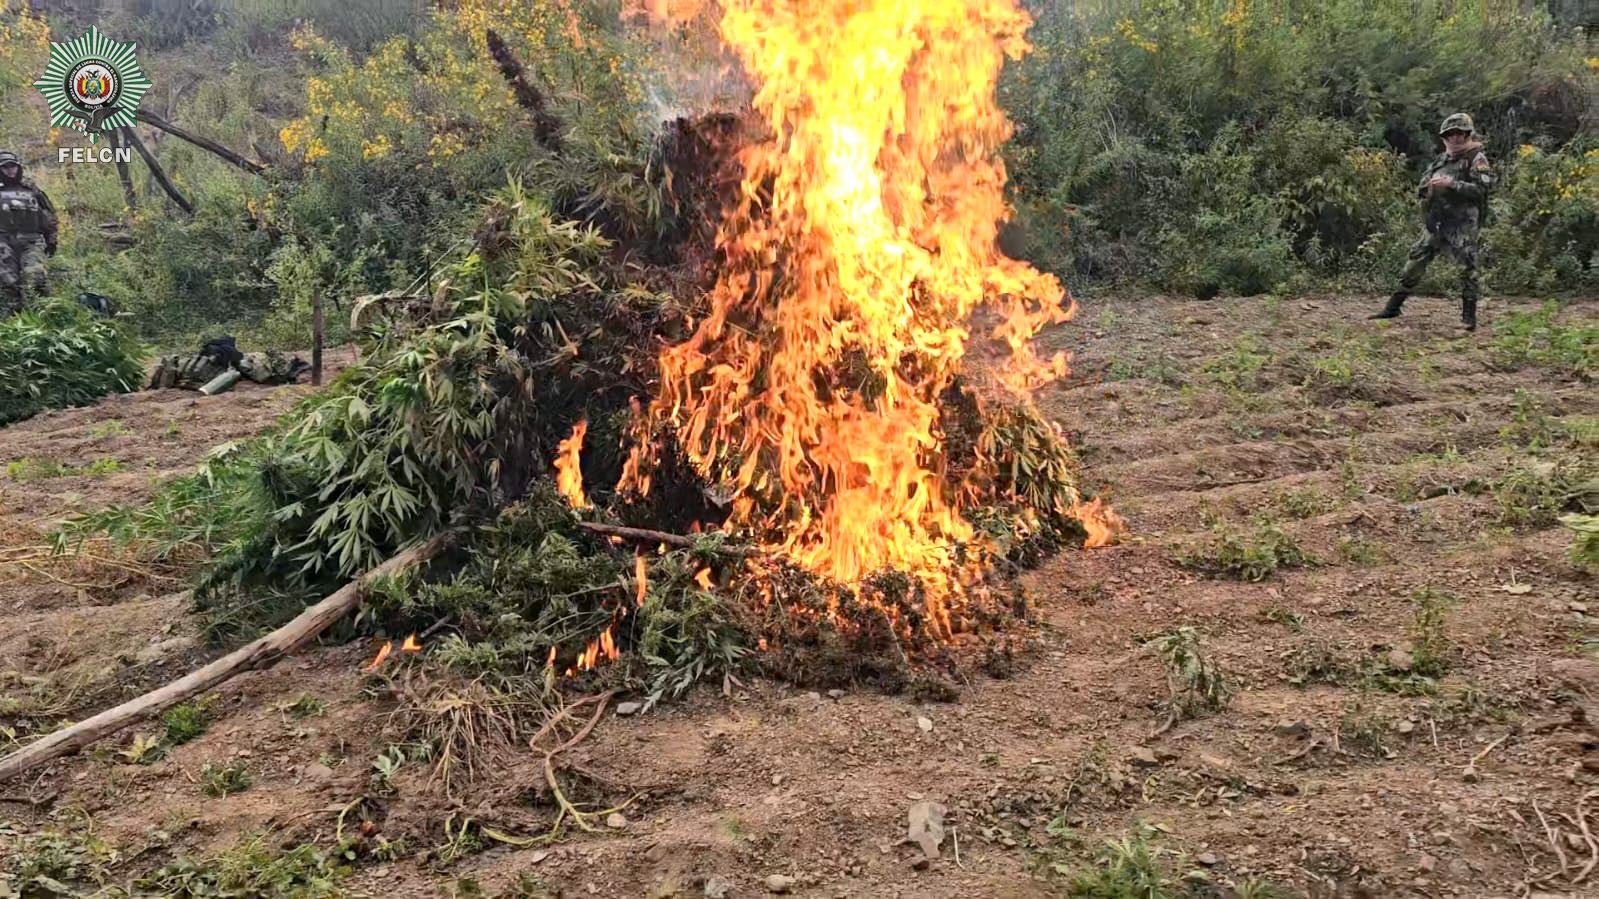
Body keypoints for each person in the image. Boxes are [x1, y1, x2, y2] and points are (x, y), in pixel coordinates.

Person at [1369, 114, 1494, 331]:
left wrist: (1452, 184)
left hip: (1461, 223)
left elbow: (1482, 189)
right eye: (1450, 134)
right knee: (1415, 261)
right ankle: (1393, 307)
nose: (1455, 138)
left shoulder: (1477, 158)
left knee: (1467, 266)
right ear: (1444, 138)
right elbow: (1421, 186)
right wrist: (1429, 188)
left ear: (1467, 135)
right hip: (1437, 221)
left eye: (1460, 134)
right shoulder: (1441, 160)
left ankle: (1469, 318)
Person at [0, 151, 58, 315]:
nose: (10, 170)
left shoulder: (31, 189)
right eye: (5, 167)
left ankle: (42, 315)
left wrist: (52, 241)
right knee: (7, 280)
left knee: (34, 276)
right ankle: (12, 321)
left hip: (32, 241)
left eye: (13, 166)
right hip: (3, 241)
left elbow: (49, 216)